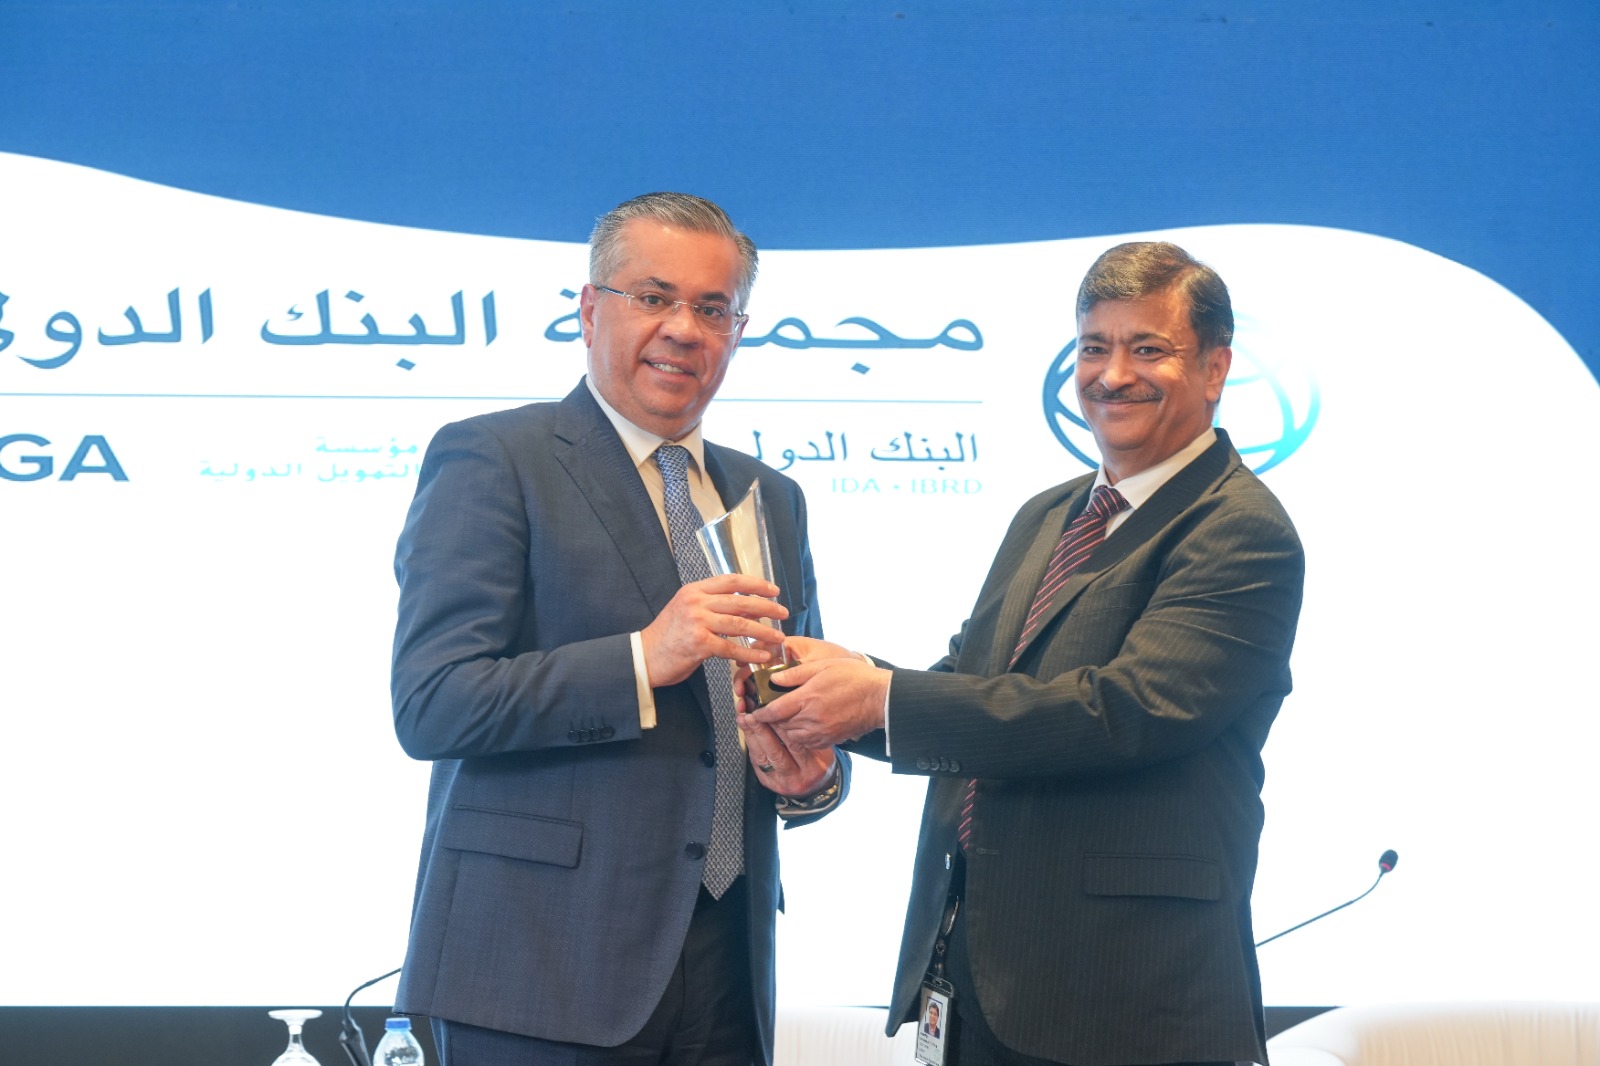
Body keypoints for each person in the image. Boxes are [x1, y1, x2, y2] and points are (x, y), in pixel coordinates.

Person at [746, 242, 1305, 1066]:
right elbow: (971, 683)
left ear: (1216, 368)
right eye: (1094, 347)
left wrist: (877, 697)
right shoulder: (1049, 514)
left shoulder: (1240, 528)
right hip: (980, 978)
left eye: (1148, 348)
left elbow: (1123, 713)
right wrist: (824, 691)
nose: (1113, 374)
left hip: (1127, 1000)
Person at [390, 191, 847, 1066]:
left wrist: (810, 777)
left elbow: (793, 708)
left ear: (737, 330)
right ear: (590, 309)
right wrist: (645, 658)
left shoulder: (773, 498)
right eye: (654, 297)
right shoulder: (495, 458)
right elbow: (434, 702)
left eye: (712, 308)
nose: (683, 328)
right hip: (540, 967)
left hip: (727, 965)